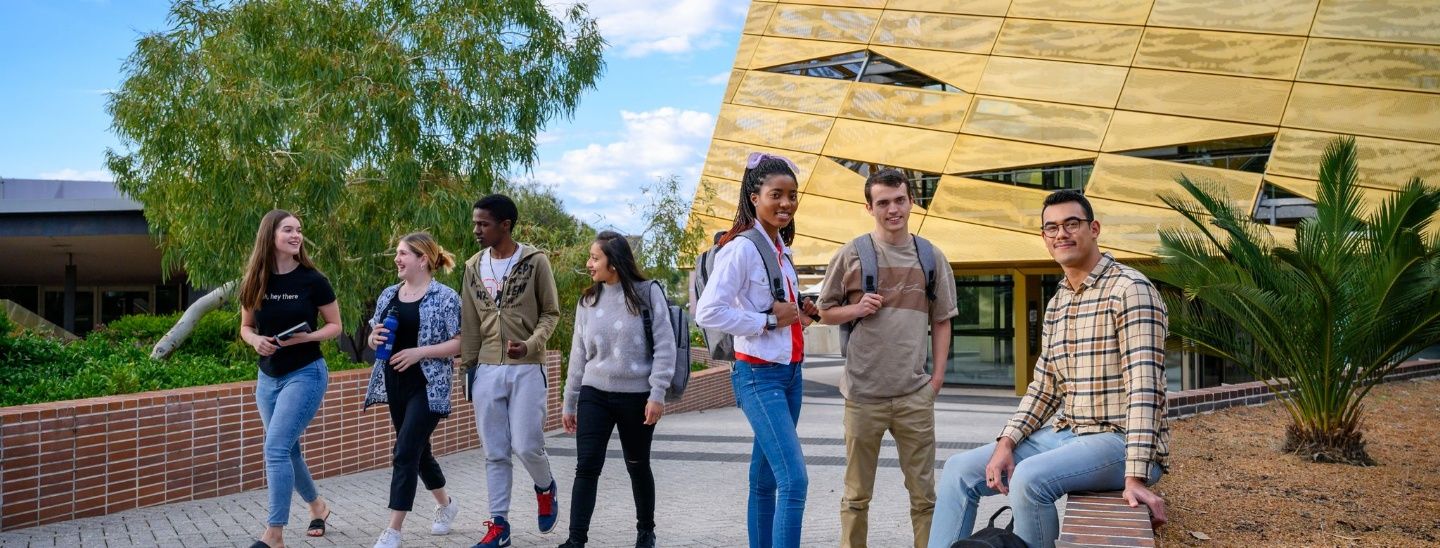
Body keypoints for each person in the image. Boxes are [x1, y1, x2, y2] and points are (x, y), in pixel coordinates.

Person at [928, 190, 1171, 548]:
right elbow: (1043, 387)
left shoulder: (1130, 290)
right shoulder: (1059, 301)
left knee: (1029, 478)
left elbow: (1145, 389)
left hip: (1119, 440)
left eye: (1072, 224)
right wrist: (1006, 442)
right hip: (1069, 434)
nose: (1061, 234)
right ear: (1044, 237)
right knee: (958, 471)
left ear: (1094, 228)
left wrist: (1134, 477)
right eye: (1051, 228)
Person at [816, 169, 957, 548]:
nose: (892, 209)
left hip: (914, 395)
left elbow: (942, 320)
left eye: (899, 200)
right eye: (883, 203)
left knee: (925, 499)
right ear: (869, 207)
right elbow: (824, 312)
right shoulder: (852, 254)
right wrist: (857, 308)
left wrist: (937, 380)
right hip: (863, 395)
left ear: (911, 201)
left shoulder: (931, 256)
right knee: (856, 497)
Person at [695, 152, 819, 548]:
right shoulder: (742, 248)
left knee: (764, 480)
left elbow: (781, 312)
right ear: (754, 197)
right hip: (758, 376)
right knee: (793, 479)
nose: (786, 203)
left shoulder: (783, 249)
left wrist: (801, 314)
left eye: (792, 195)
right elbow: (709, 311)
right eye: (776, 195)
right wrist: (766, 321)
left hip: (790, 374)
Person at [557, 231, 677, 548]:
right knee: (586, 467)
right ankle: (576, 539)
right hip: (594, 394)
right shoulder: (588, 301)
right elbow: (578, 356)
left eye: (595, 257)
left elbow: (666, 347)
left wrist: (657, 394)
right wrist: (570, 402)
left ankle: (645, 531)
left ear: (614, 261)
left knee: (637, 465)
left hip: (637, 397)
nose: (589, 264)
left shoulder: (647, 293)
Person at [461, 194, 562, 548]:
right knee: (494, 450)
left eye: (483, 224)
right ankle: (498, 524)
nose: (476, 230)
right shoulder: (473, 266)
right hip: (487, 368)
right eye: (475, 223)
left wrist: (532, 344)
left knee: (526, 445)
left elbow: (551, 313)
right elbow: (470, 323)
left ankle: (545, 487)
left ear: (505, 225)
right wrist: (469, 369)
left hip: (526, 367)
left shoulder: (535, 262)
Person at [238, 209, 341, 548]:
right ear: (270, 236)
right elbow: (246, 327)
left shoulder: (313, 280)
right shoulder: (255, 279)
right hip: (268, 377)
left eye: (299, 230)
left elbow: (335, 326)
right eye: (288, 230)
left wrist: (307, 337)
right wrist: (256, 341)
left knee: (276, 448)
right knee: (288, 450)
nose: (296, 235)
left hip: (305, 373)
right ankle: (318, 506)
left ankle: (274, 535)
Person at [365, 232, 464, 548]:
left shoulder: (446, 297)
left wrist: (419, 352)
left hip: (429, 386)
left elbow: (462, 341)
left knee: (405, 451)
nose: (397, 258)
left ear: (423, 259)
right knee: (419, 453)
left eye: (404, 253)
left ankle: (393, 530)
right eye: (397, 252)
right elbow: (374, 335)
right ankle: (446, 506)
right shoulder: (389, 295)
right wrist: (373, 339)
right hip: (395, 383)